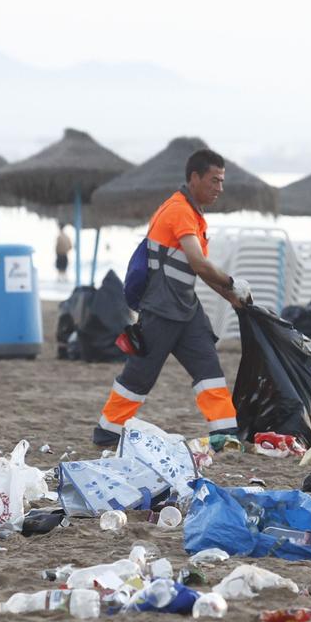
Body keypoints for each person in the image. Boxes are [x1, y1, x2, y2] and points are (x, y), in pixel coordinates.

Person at [94, 148, 248, 448]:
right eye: (214, 181)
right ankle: (107, 431)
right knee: (140, 376)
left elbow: (198, 270)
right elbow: (199, 262)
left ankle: (225, 433)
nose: (219, 188)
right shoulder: (178, 211)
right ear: (194, 178)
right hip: (161, 309)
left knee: (208, 369)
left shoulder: (195, 216)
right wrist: (232, 283)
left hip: (187, 309)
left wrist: (231, 297)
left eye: (221, 181)